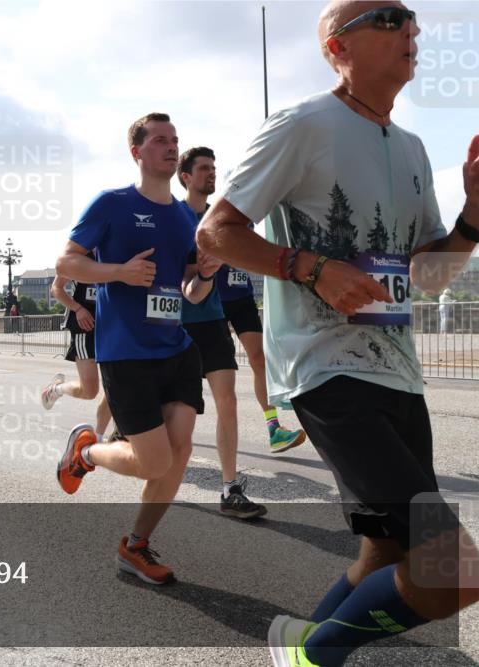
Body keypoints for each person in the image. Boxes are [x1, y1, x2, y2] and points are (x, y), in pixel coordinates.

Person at [197, 3, 479, 664]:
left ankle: (299, 648)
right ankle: (314, 653)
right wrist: (308, 266)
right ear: (336, 47)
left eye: (412, 17)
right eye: (388, 17)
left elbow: (428, 276)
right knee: (454, 568)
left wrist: (471, 218)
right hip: (328, 373)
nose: (411, 28)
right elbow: (215, 232)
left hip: (399, 375)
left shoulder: (411, 147)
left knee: (384, 549)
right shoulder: (301, 125)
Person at [55, 112, 220, 585]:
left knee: (179, 452)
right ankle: (86, 452)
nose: (171, 147)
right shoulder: (112, 204)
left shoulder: (185, 218)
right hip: (126, 354)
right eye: (160, 140)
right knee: (154, 460)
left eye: (175, 140)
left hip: (176, 350)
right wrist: (119, 272)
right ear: (137, 152)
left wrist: (205, 272)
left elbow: (192, 294)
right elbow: (66, 262)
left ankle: (136, 546)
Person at [179, 146, 305, 518]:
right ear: (186, 175)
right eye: (204, 168)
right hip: (176, 324)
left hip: (215, 314)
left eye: (215, 168)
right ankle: (131, 442)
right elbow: (185, 279)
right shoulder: (172, 217)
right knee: (177, 413)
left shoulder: (225, 218)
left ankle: (231, 486)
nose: (212, 173)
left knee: (230, 397)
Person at [40, 257, 114, 444]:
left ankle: (98, 436)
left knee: (116, 386)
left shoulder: (117, 248)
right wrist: (78, 308)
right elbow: (56, 288)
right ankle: (56, 389)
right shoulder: (80, 253)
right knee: (90, 391)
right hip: (85, 327)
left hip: (113, 326)